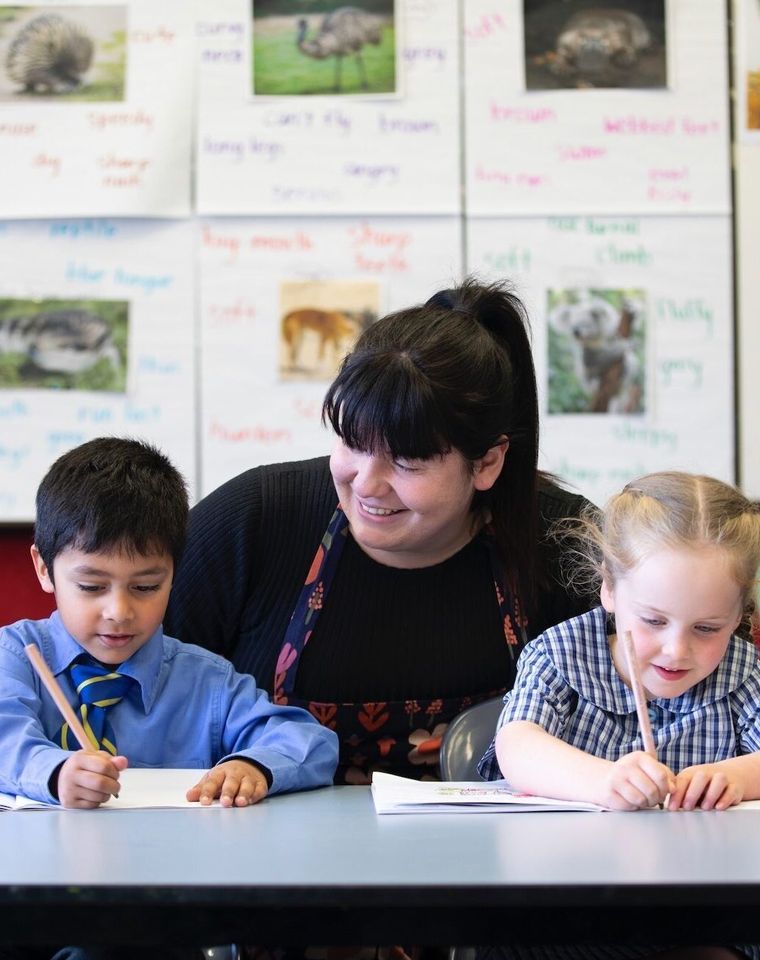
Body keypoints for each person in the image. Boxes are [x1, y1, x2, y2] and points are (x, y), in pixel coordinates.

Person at [165, 278, 594, 785]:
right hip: (269, 853)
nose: (366, 484)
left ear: (487, 462)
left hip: (493, 852)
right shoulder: (254, 520)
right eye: (352, 442)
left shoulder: (565, 543)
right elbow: (141, 685)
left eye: (408, 460)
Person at [478, 470, 760, 960]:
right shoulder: (561, 655)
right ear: (609, 588)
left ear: (739, 615)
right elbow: (517, 745)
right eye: (653, 620)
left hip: (696, 919)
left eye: (707, 627)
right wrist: (605, 782)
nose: (677, 650)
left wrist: (731, 775)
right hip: (564, 912)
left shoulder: (742, 671)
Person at [0, 436, 338, 810]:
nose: (119, 611)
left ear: (174, 575)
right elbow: (5, 737)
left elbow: (310, 741)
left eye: (146, 586)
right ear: (44, 569)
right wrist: (54, 772)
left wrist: (253, 765)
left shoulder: (207, 681)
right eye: (91, 586)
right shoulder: (15, 655)